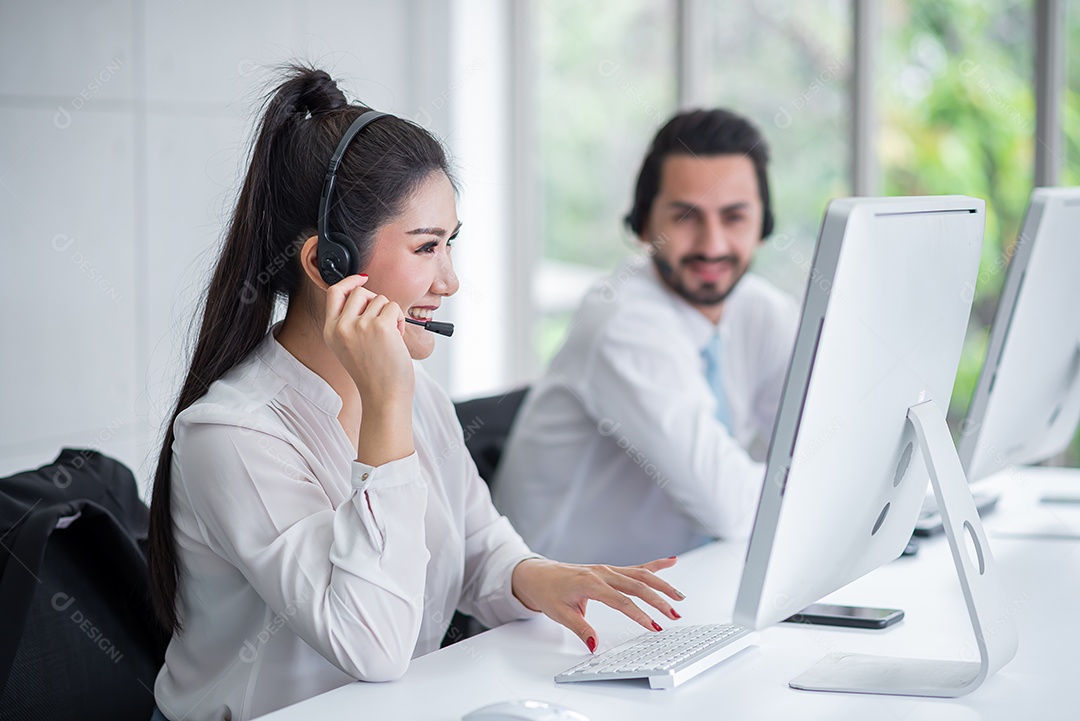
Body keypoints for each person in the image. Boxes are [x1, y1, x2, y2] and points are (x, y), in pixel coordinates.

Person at [146, 66, 683, 721]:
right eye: (427, 247)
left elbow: (478, 545)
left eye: (450, 244)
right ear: (327, 265)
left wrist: (535, 575)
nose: (449, 280)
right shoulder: (233, 435)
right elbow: (373, 643)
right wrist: (386, 408)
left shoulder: (415, 395)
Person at [493, 109, 799, 566]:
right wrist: (818, 488)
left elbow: (820, 449)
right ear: (642, 224)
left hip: (683, 593)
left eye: (734, 217)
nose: (712, 244)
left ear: (763, 225)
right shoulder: (623, 322)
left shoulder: (761, 310)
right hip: (556, 618)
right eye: (686, 217)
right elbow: (729, 507)